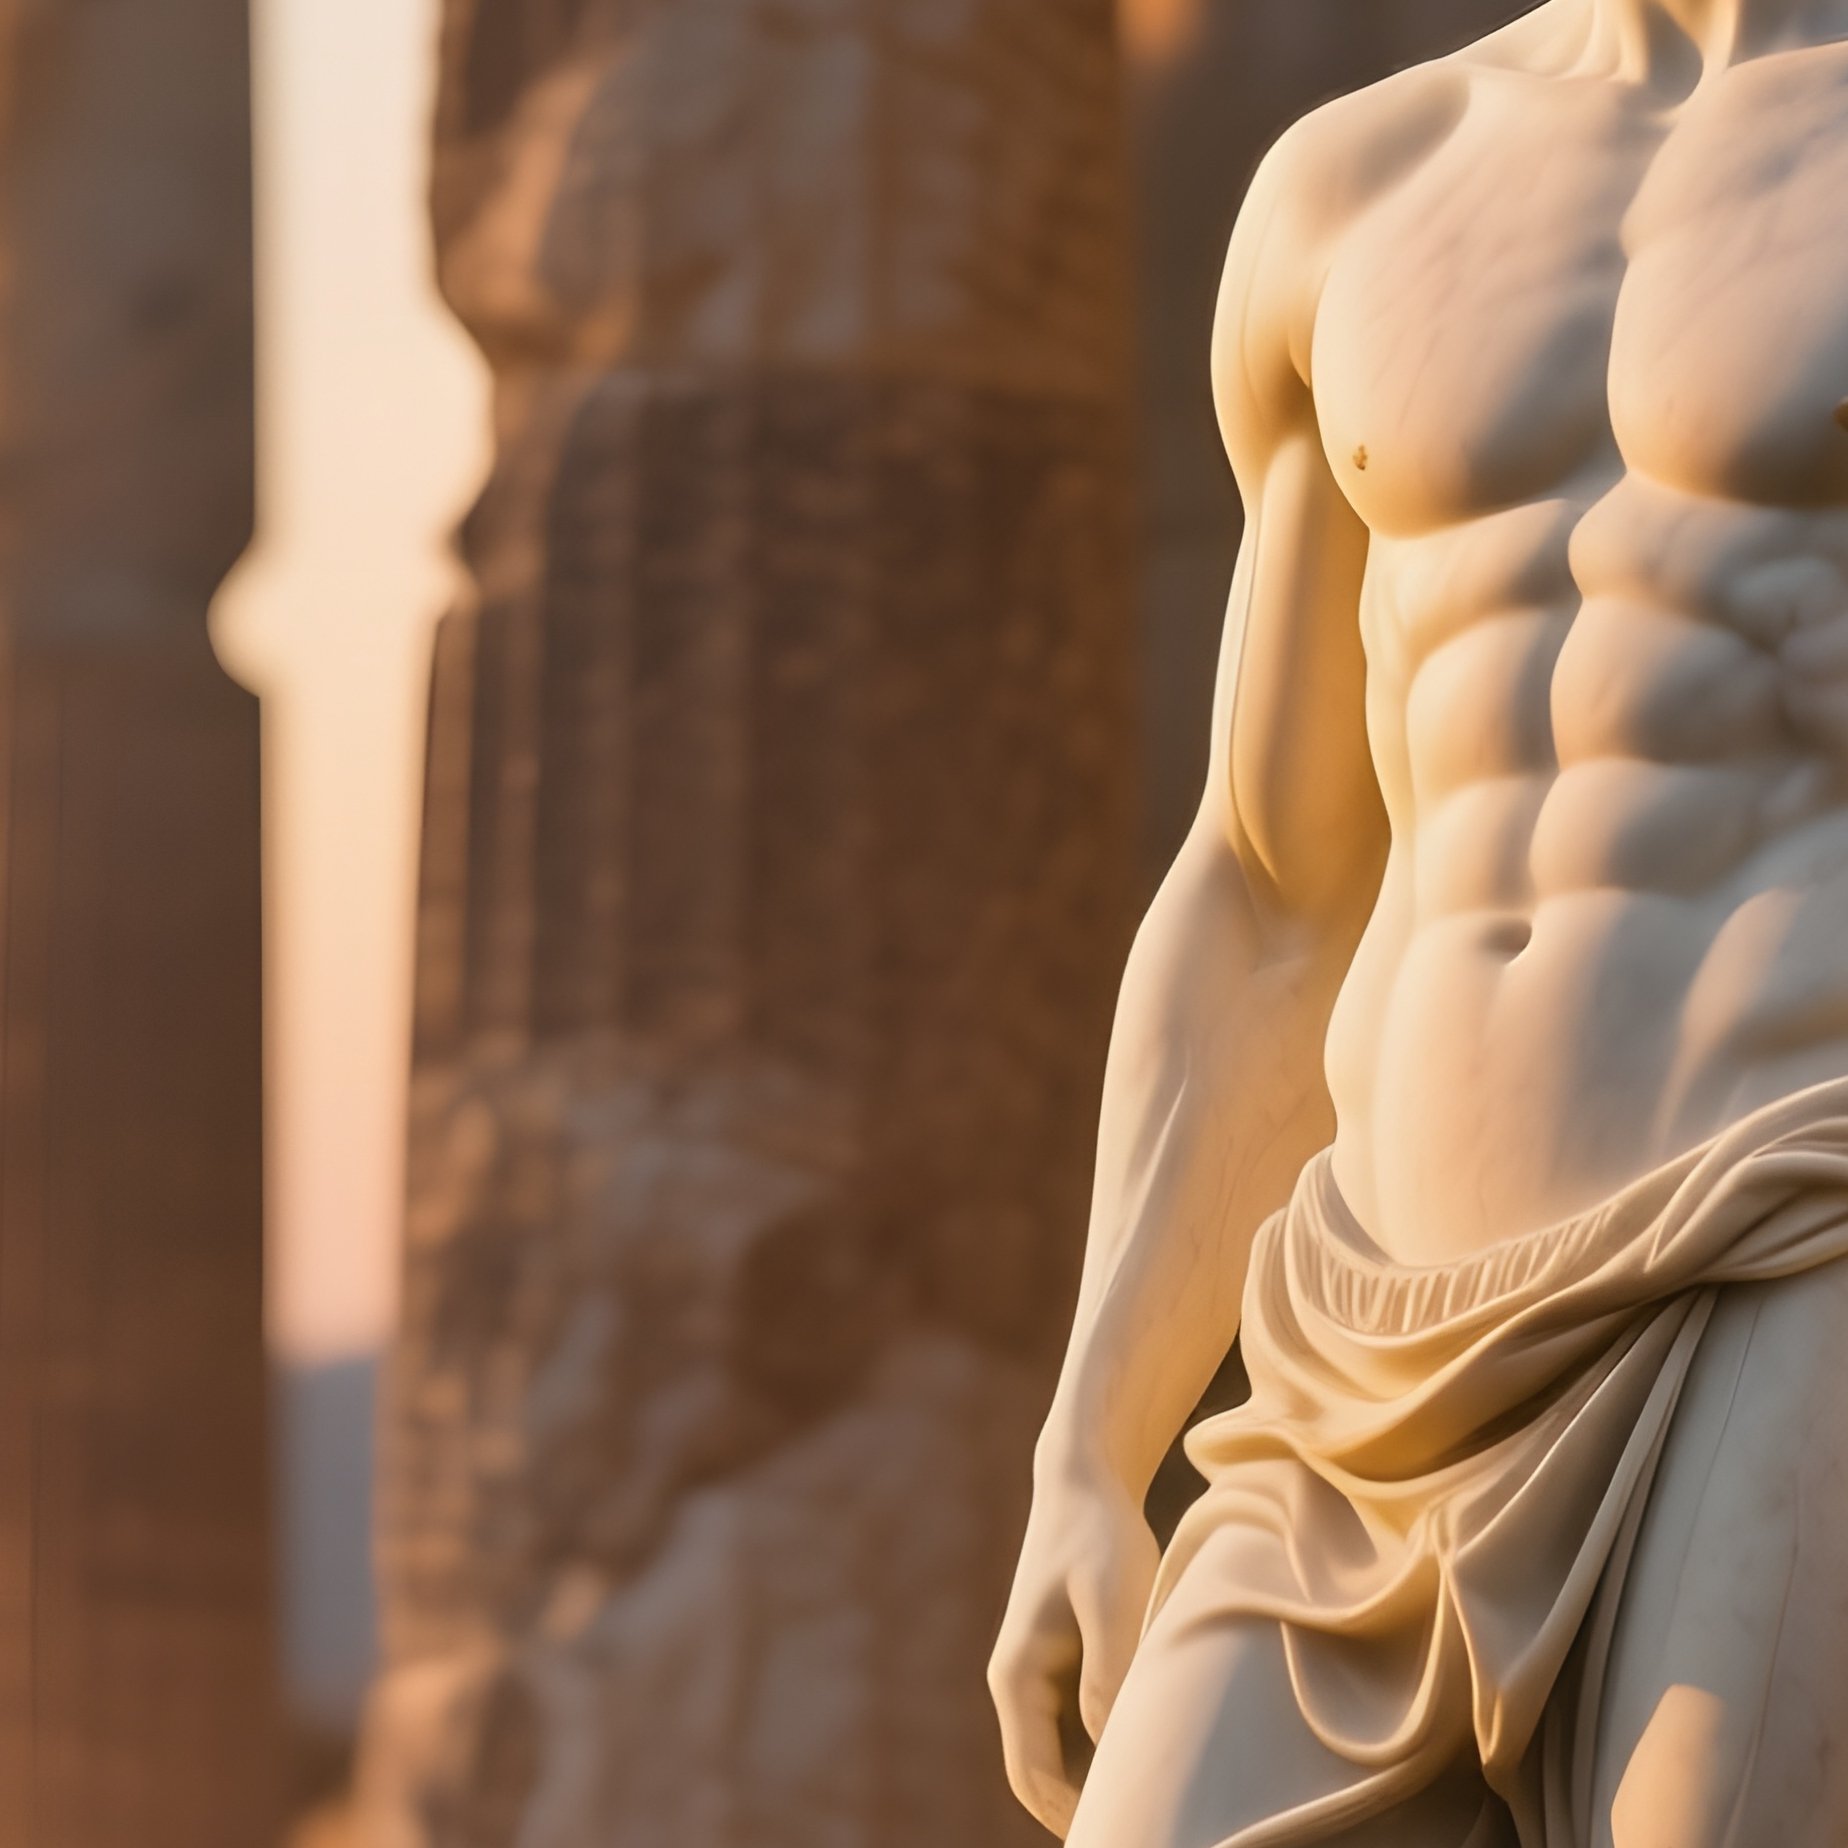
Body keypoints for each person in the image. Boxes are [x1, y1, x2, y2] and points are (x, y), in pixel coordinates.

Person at [988, 2, 1848, 1842]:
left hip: (1797, 1223)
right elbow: (1271, 886)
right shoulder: (1357, 184)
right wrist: (1090, 1446)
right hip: (1360, 1337)